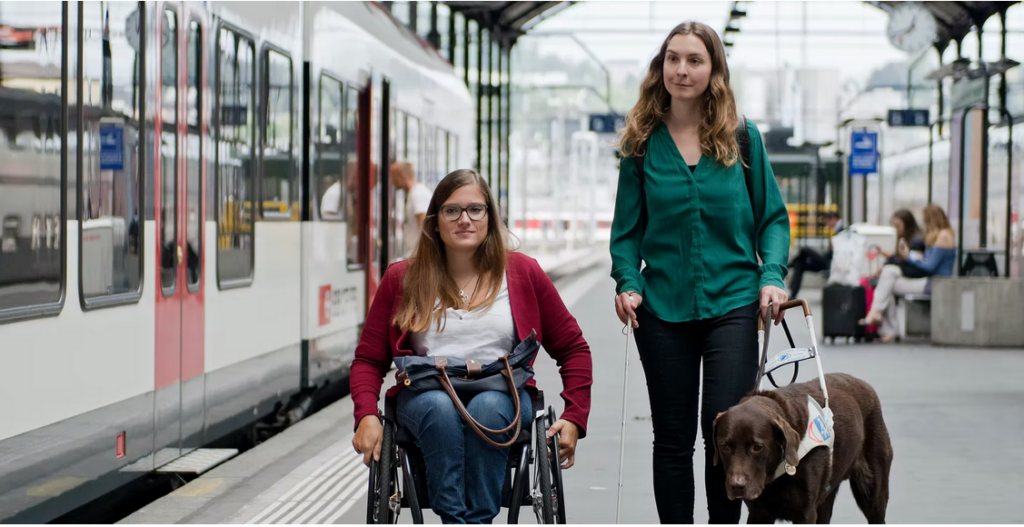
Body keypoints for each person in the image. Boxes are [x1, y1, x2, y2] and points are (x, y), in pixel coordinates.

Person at [609, 21, 790, 524]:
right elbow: (626, 233)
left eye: (694, 60)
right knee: (671, 438)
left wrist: (771, 276)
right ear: (660, 66)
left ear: (714, 71)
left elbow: (773, 219)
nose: (682, 70)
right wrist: (628, 283)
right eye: (673, 58)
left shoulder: (742, 138)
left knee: (724, 434)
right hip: (662, 309)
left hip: (733, 304)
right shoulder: (641, 145)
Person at [351, 169, 593, 524]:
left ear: (490, 218)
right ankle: (457, 520)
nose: (465, 219)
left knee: (489, 407)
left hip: (503, 394)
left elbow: (573, 348)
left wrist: (574, 417)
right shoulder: (403, 277)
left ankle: (476, 519)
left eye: (476, 210)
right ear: (435, 221)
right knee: (438, 407)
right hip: (424, 395)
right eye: (452, 211)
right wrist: (366, 415)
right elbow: (368, 360)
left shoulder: (523, 273)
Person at [861, 204, 956, 341]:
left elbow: (929, 266)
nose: (924, 225)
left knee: (888, 283)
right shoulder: (946, 234)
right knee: (888, 281)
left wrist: (908, 256)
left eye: (926, 220)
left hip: (935, 282)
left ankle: (885, 323)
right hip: (933, 281)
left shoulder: (943, 236)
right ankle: (882, 321)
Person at [788, 210, 844, 298]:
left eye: (827, 222)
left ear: (833, 219)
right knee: (800, 264)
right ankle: (793, 293)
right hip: (826, 259)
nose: (827, 225)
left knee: (805, 249)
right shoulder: (837, 229)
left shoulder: (842, 230)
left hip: (829, 262)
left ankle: (789, 265)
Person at [390, 160, 433, 258]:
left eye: (393, 176)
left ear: (402, 175)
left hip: (418, 256)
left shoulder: (418, 194)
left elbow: (425, 227)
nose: (392, 181)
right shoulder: (415, 193)